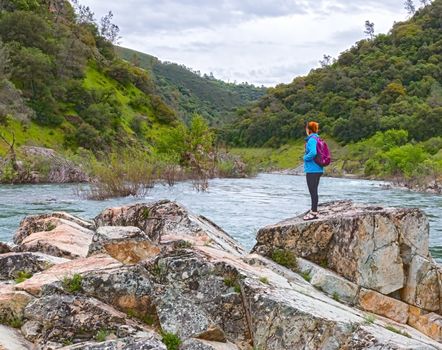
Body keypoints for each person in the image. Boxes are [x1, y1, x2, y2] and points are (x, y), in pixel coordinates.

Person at [303, 121, 323, 220]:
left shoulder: (311, 140)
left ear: (308, 129)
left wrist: (305, 158)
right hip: (318, 169)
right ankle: (314, 210)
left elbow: (313, 152)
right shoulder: (317, 138)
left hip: (312, 169)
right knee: (314, 191)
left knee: (313, 191)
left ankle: (314, 212)